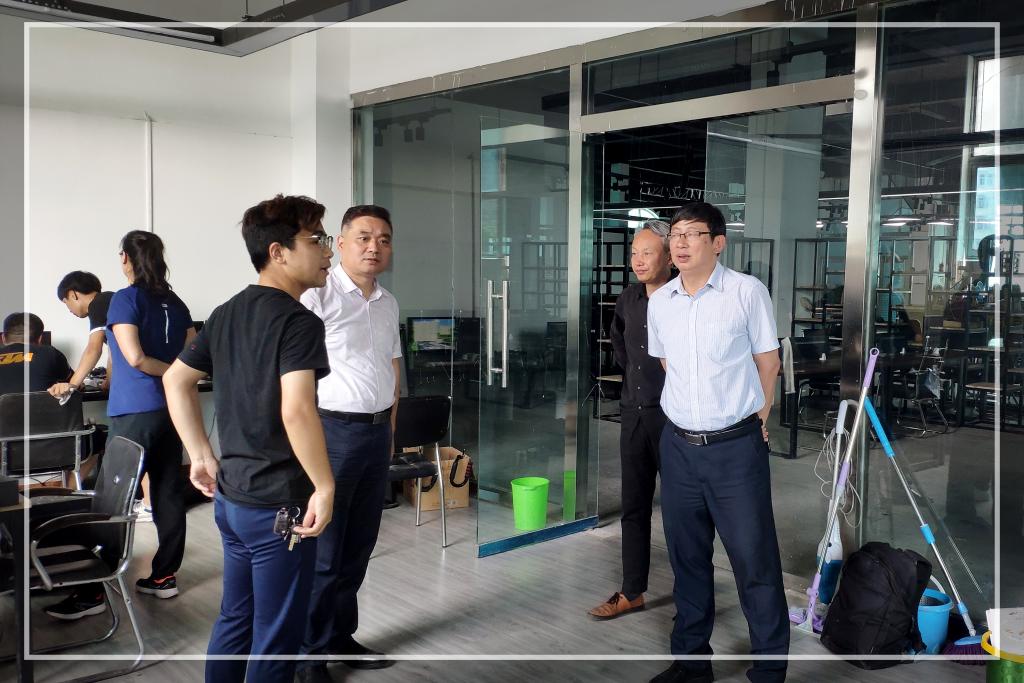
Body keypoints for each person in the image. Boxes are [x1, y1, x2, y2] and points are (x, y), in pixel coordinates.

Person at [163, 194, 335, 683]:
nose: (328, 251)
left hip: (233, 501)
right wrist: (324, 486)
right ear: (278, 252)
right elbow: (297, 409)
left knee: (236, 619)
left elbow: (175, 380)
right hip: (280, 506)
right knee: (277, 637)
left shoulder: (226, 312)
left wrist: (200, 455)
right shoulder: (299, 322)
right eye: (317, 240)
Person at [647, 202, 787, 683]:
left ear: (718, 243)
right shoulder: (661, 302)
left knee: (754, 561)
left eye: (692, 234)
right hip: (679, 448)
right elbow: (668, 364)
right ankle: (691, 665)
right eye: (675, 234)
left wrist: (758, 418)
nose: (680, 243)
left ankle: (768, 672)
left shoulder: (746, 292)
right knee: (687, 560)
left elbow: (769, 362)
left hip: (735, 450)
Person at [44, 231, 195, 620]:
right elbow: (193, 356)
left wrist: (73, 383)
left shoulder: (124, 299)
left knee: (111, 500)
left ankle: (93, 590)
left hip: (134, 413)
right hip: (172, 411)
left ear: (125, 257)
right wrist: (177, 377)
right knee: (167, 494)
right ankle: (164, 576)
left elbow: (135, 357)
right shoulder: (176, 302)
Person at [296, 204, 402, 683]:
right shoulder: (316, 297)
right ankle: (308, 657)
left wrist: (391, 430)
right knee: (325, 550)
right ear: (339, 244)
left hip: (376, 434)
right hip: (332, 432)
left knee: (359, 546)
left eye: (383, 239)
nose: (373, 247)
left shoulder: (388, 302)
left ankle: (340, 636)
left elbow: (392, 366)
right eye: (363, 237)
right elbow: (296, 377)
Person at [589, 220, 672, 620]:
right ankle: (632, 591)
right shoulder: (628, 298)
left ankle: (692, 597)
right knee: (634, 506)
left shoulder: (682, 299)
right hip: (634, 412)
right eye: (634, 253)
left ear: (669, 257)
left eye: (647, 252)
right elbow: (618, 342)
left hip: (673, 418)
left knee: (682, 511)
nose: (638, 260)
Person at [48, 271, 114, 397]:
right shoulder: (108, 300)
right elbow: (114, 351)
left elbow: (93, 349)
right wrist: (109, 381)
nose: (69, 310)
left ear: (72, 295)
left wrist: (71, 386)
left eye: (66, 302)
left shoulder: (98, 303)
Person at [0, 312, 72, 395]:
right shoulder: (50, 352)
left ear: (3, 338)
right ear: (40, 338)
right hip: (41, 403)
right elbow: (75, 383)